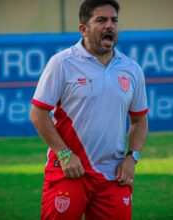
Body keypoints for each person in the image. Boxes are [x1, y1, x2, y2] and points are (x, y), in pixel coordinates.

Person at [29, 0, 148, 219]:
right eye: (101, 20)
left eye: (114, 20)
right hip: (70, 170)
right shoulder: (62, 63)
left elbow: (140, 120)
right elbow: (38, 112)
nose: (109, 26)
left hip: (113, 175)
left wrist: (132, 158)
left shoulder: (132, 70)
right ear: (83, 29)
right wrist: (64, 154)